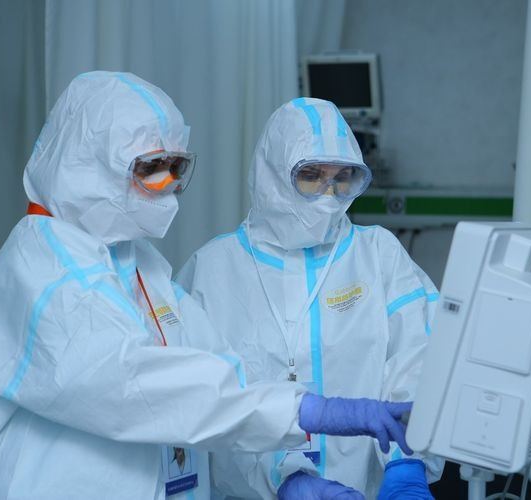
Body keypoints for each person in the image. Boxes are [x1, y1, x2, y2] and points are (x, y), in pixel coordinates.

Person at [0, 73, 412, 500]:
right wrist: (306, 410)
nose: (169, 185)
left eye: (176, 167)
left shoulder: (137, 263)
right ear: (88, 164)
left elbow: (223, 370)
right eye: (151, 168)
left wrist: (284, 474)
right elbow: (136, 384)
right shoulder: (41, 270)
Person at [177, 97, 442, 499]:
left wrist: (408, 461)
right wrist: (279, 479)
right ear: (272, 173)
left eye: (342, 178)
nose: (328, 195)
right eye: (311, 176)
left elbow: (421, 358)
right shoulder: (213, 270)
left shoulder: (377, 255)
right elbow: (197, 402)